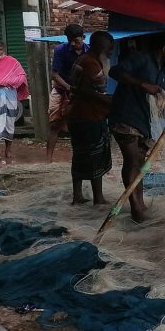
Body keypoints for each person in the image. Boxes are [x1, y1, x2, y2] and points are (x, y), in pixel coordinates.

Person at [108, 32, 165, 222]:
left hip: (144, 123)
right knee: (132, 161)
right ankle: (135, 208)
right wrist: (142, 84)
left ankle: (139, 204)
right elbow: (115, 72)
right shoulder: (141, 59)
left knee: (140, 163)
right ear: (164, 48)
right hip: (125, 116)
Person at [67, 31, 114, 205]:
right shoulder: (91, 64)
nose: (110, 53)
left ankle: (77, 195)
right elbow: (86, 91)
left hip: (77, 114)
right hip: (88, 115)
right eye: (109, 49)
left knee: (80, 154)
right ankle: (98, 197)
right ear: (101, 47)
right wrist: (110, 101)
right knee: (94, 155)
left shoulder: (83, 60)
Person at [47, 24, 88, 161]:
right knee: (54, 124)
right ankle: (48, 159)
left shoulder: (89, 52)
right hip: (61, 89)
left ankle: (81, 157)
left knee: (82, 124)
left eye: (76, 40)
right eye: (70, 40)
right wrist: (69, 87)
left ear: (84, 37)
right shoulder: (60, 50)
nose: (73, 43)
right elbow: (54, 74)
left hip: (82, 92)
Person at [0, 41, 30, 163]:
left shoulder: (12, 62)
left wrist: (7, 82)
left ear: (3, 50)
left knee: (9, 122)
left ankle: (8, 149)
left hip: (9, 94)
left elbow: (21, 76)